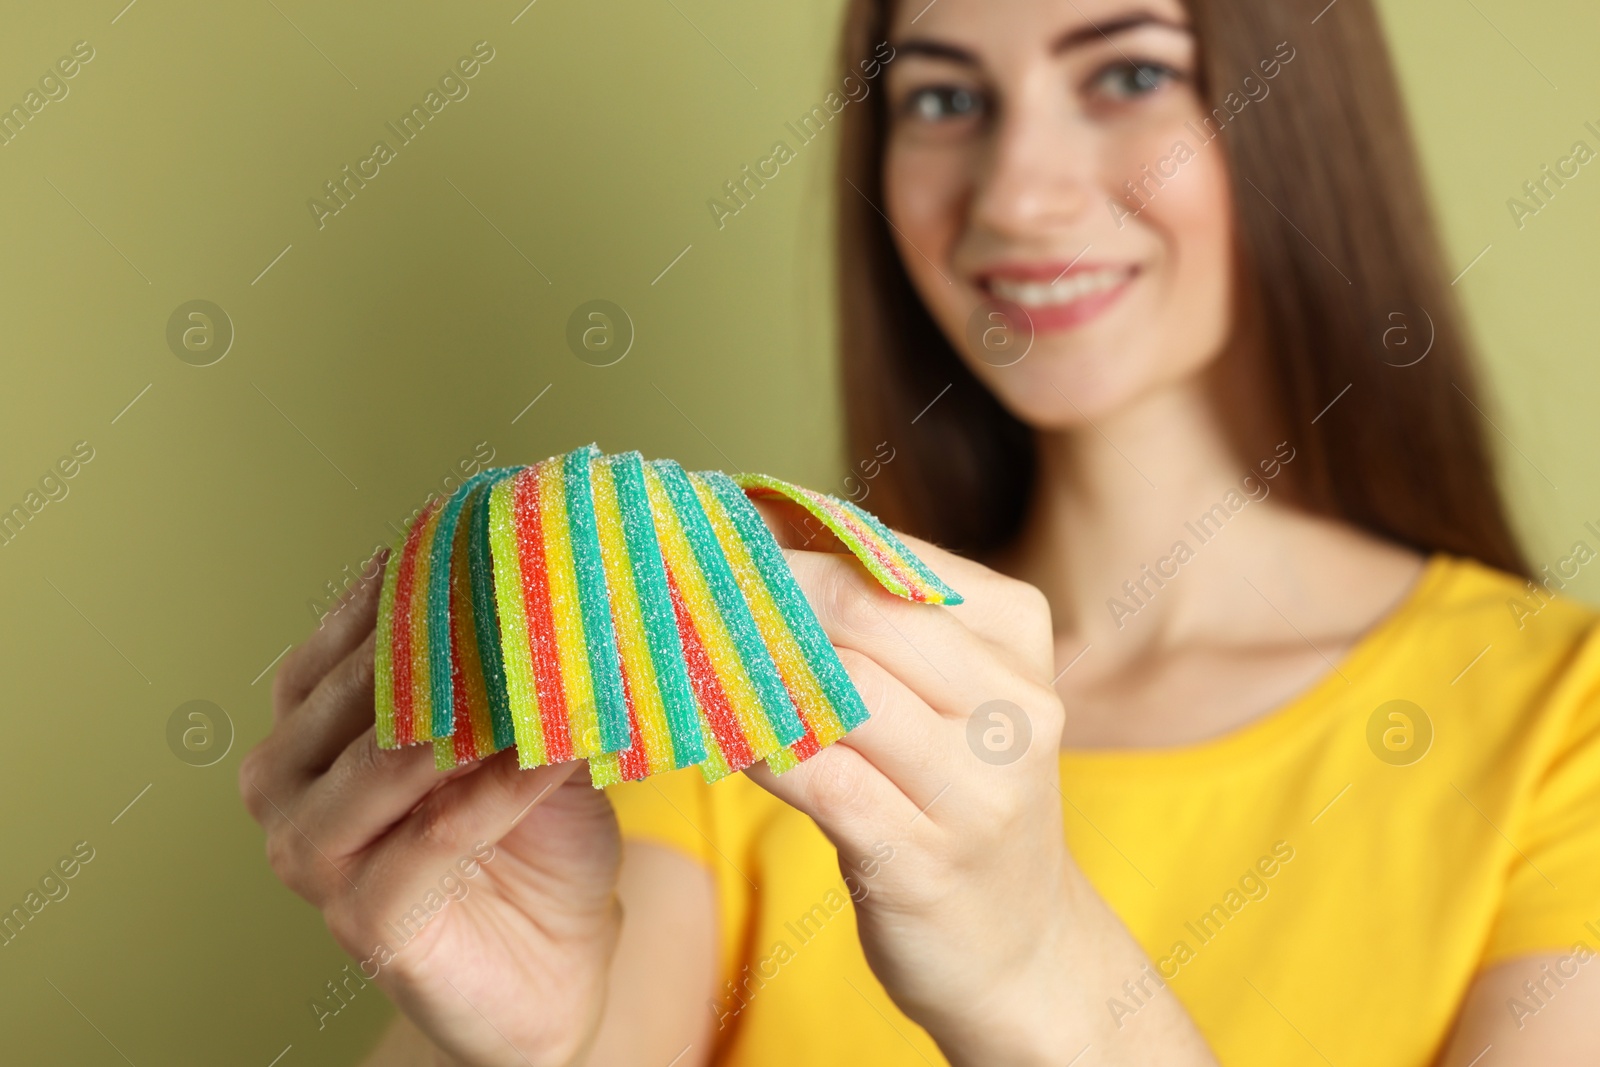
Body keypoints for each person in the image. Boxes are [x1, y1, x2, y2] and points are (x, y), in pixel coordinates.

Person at [240, 0, 1600, 1062]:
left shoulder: (1563, 724)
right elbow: (592, 1019)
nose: (1017, 191)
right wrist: (526, 1052)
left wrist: (1037, 974)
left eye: (1126, 73)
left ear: (1296, 108)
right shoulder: (729, 679)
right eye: (943, 98)